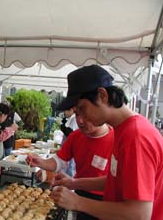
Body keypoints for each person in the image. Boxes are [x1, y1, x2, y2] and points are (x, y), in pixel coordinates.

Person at [50, 65, 163, 220]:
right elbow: (117, 181)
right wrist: (74, 183)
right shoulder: (123, 130)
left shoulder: (136, 136)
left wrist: (78, 202)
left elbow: (140, 214)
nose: (80, 119)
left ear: (103, 95)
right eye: (77, 113)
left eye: (83, 108)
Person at [27, 113, 114, 220]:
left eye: (85, 114)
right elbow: (59, 160)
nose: (80, 121)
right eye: (77, 114)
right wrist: (41, 162)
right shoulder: (76, 136)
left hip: (105, 201)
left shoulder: (116, 140)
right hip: (79, 192)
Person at [60, 106, 78, 176]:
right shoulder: (71, 118)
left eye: (65, 110)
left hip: (71, 148)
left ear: (71, 110)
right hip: (67, 147)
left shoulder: (74, 118)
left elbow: (70, 133)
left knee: (70, 168)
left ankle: (69, 184)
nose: (64, 113)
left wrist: (63, 127)